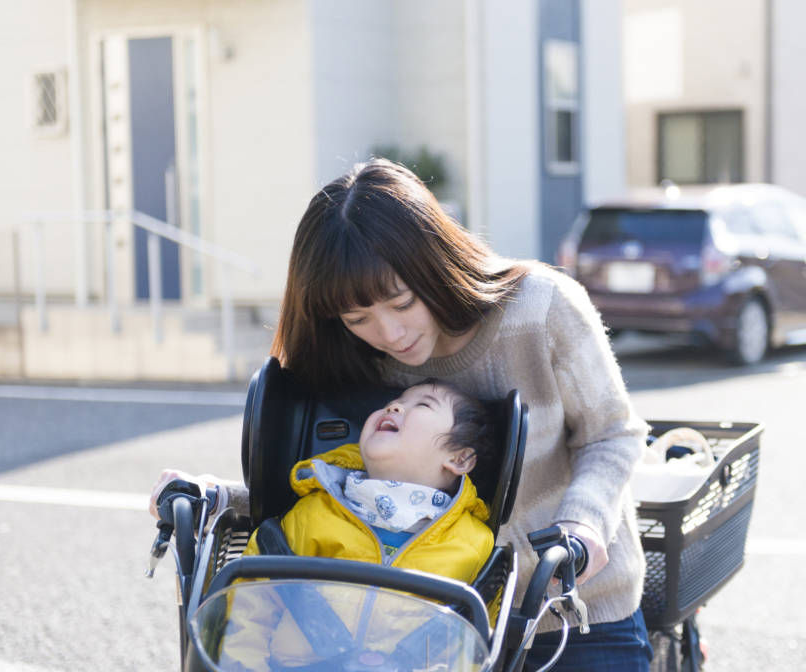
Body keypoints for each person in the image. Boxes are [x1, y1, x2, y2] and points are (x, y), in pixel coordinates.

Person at [151, 158, 653, 670]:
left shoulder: (543, 307)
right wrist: (216, 497)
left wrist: (583, 527)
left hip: (576, 609)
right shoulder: (357, 360)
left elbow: (613, 434)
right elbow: (343, 490)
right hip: (429, 637)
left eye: (402, 302)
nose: (389, 334)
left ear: (434, 262)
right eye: (358, 317)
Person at [219, 379, 496, 672]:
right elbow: (254, 602)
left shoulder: (473, 543)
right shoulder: (315, 512)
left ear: (460, 458)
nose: (394, 405)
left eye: (423, 404)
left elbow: (478, 642)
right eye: (395, 401)